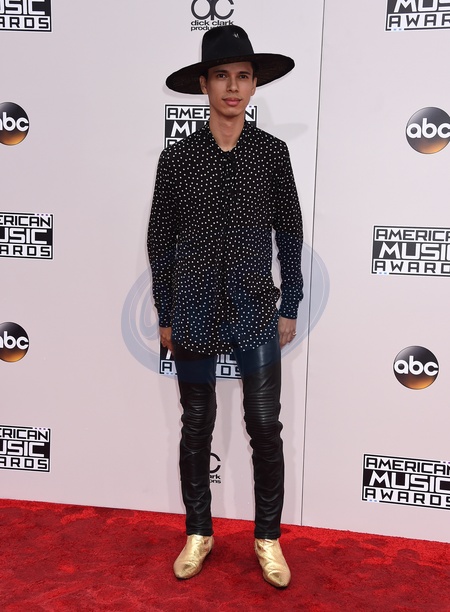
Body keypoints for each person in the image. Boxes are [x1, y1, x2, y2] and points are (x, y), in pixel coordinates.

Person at [147, 25, 303, 588]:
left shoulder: (273, 155)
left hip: (256, 309)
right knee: (196, 424)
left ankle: (268, 539)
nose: (232, 87)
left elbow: (290, 233)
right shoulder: (177, 159)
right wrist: (166, 313)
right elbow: (160, 240)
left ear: (255, 85)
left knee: (264, 425)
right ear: (204, 85)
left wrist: (291, 303)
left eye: (242, 76)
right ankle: (199, 533)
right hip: (190, 311)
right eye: (221, 76)